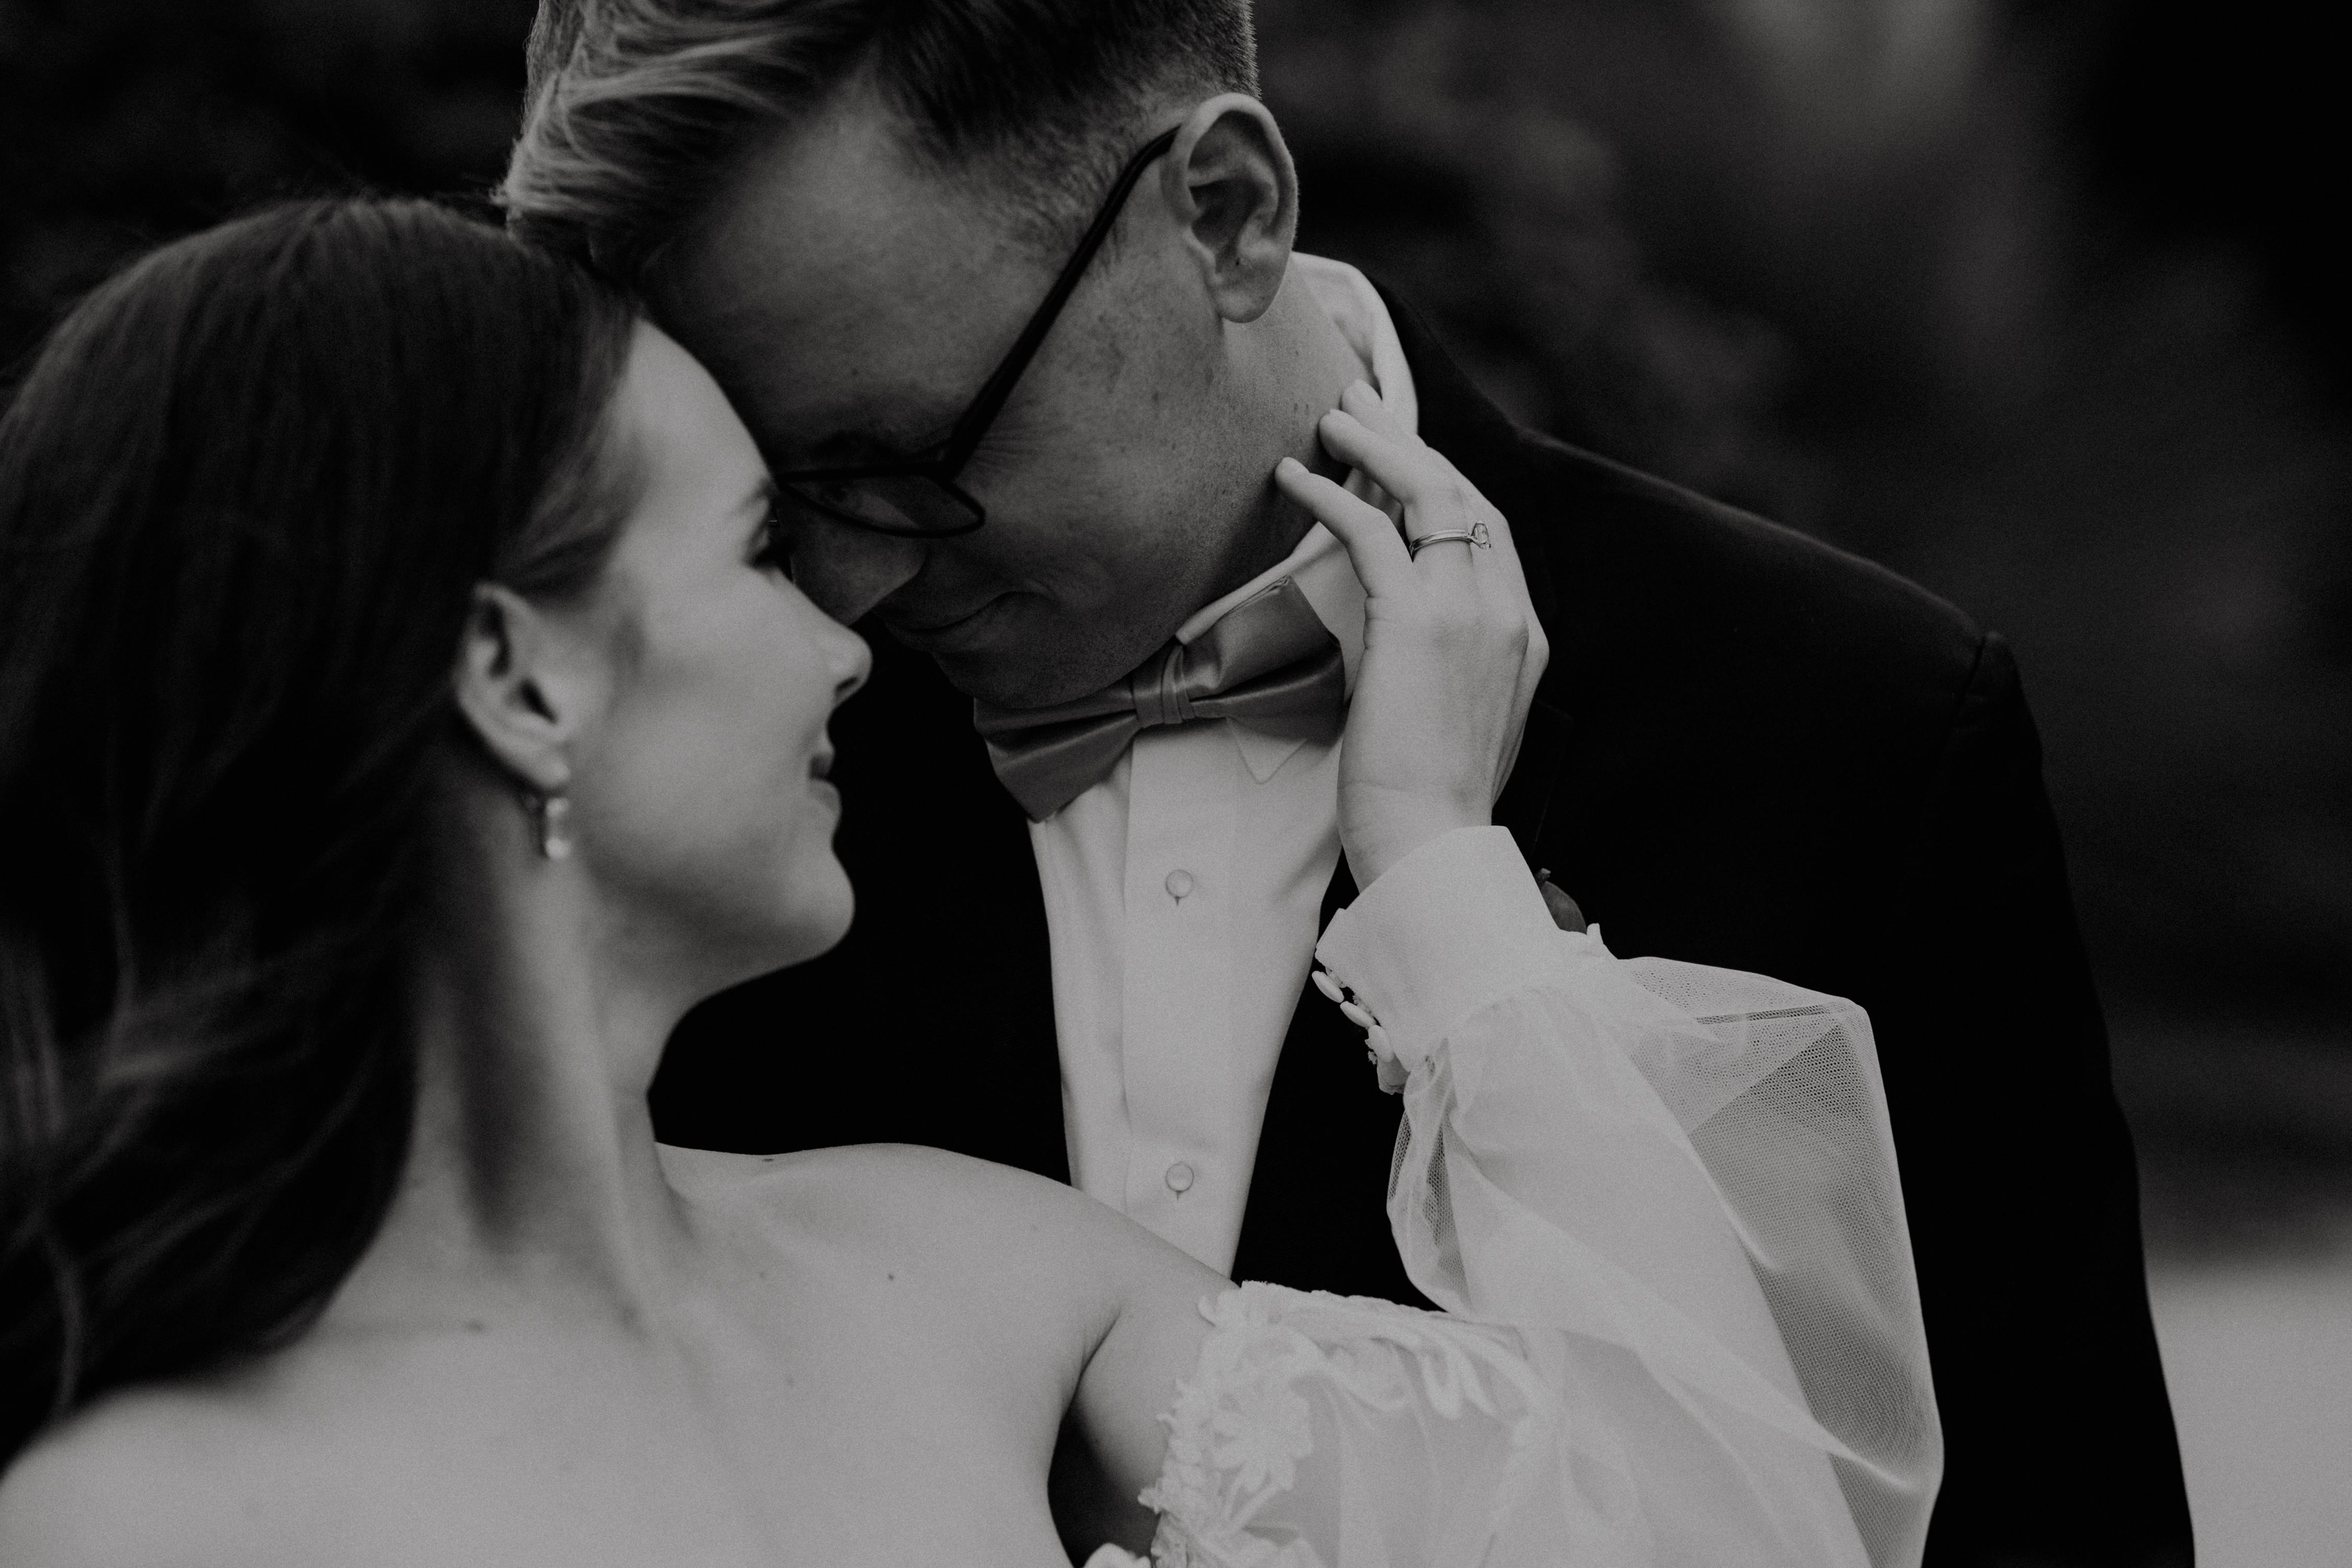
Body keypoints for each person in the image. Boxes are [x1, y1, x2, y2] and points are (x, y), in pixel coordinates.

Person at [0, 199, 1935, 1564]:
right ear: (519, 675)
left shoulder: (973, 1284)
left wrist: (1434, 865)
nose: (848, 644)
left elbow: (1729, 1528)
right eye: (759, 551)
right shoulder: (119, 1515)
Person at [498, 5, 2187, 1564]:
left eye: (899, 460)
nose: (853, 582)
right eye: (781, 488)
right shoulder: (699, 758)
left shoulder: (1844, 725)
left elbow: (2049, 1523)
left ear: (1225, 213)